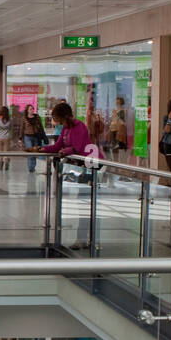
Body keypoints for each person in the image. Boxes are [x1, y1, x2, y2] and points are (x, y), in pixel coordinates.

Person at [40, 101, 103, 248]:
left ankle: (90, 239)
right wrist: (43, 149)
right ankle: (84, 238)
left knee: (87, 203)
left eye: (56, 117)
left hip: (91, 166)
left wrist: (64, 152)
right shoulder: (66, 128)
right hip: (81, 167)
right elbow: (58, 145)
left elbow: (77, 147)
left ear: (62, 116)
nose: (55, 121)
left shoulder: (79, 126)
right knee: (82, 203)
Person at [23, 105, 46, 173]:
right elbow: (22, 128)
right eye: (30, 109)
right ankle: (30, 167)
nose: (32, 110)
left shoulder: (37, 117)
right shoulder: (24, 118)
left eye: (33, 109)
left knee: (35, 152)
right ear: (27, 110)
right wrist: (20, 137)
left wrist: (43, 135)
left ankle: (33, 166)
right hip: (27, 136)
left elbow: (41, 126)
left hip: (36, 136)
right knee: (30, 151)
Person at [0, 106, 14, 171]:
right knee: (6, 152)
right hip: (7, 137)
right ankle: (6, 163)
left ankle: (0, 165)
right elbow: (10, 128)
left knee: (0, 151)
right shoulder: (9, 119)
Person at [108, 96, 129, 165]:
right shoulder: (114, 110)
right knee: (114, 148)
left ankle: (121, 164)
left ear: (121, 101)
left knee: (121, 148)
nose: (117, 102)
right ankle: (115, 163)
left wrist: (117, 119)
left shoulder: (124, 110)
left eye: (118, 100)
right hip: (113, 130)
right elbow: (112, 120)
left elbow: (124, 122)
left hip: (120, 131)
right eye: (116, 100)